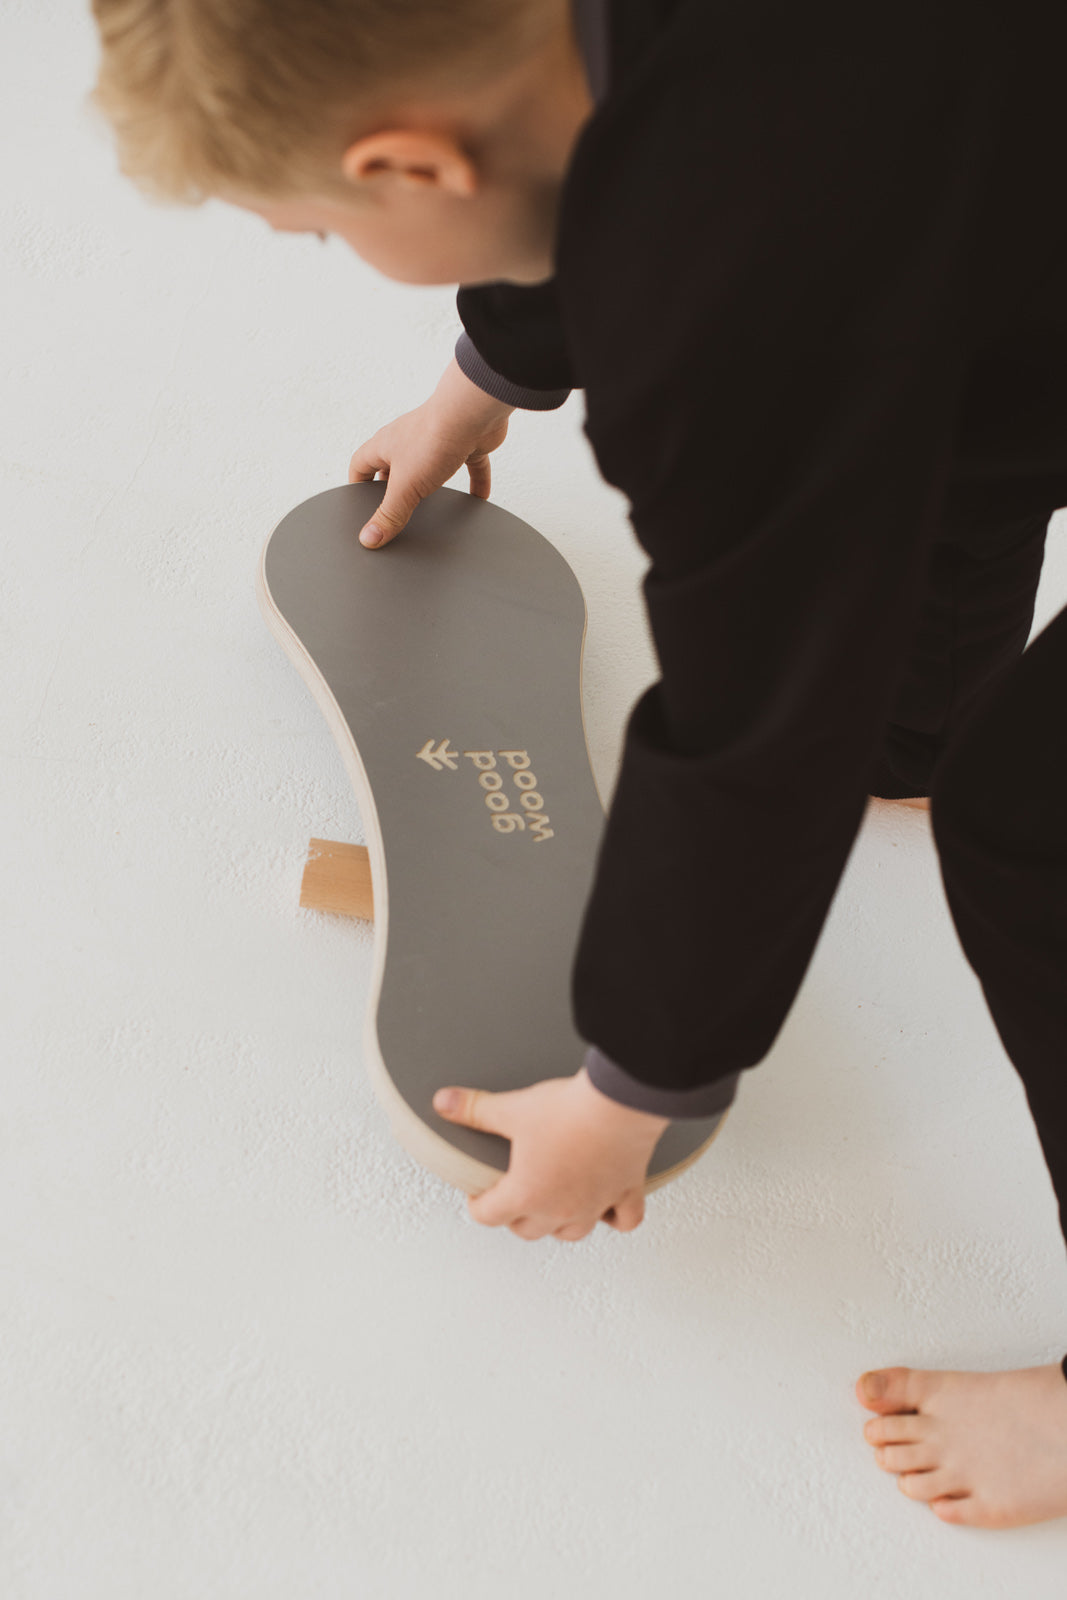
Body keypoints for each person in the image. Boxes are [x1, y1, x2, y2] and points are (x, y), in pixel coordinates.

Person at [88, 0, 1067, 1528]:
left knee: (1034, 816)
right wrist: (485, 371)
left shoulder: (724, 317)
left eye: (317, 227)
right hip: (1002, 197)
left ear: (408, 164)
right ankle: (922, 720)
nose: (323, 243)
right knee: (946, 421)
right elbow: (585, 139)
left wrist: (634, 1090)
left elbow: (759, 728)